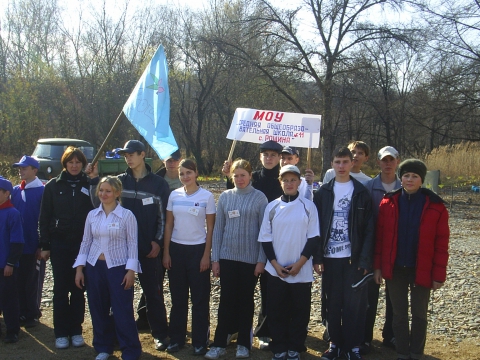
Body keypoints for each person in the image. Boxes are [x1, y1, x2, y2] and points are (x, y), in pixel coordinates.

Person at [88, 140, 170, 351]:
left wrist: (158, 242)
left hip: (148, 251)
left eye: (132, 154)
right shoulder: (119, 182)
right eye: (125, 155)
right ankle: (117, 335)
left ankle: (160, 334)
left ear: (143, 154)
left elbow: (163, 217)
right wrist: (93, 181)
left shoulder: (158, 183)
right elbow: (100, 205)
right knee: (120, 296)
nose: (128, 157)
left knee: (154, 294)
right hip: (121, 253)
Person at [374, 159, 449, 360]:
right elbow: (380, 239)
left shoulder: (436, 206)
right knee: (398, 315)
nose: (409, 179)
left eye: (414, 176)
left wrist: (438, 275)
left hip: (421, 268)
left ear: (421, 180)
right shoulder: (388, 202)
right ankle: (402, 352)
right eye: (406, 175)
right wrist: (378, 267)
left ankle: (416, 352)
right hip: (395, 268)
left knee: (419, 314)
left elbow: (442, 244)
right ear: (400, 178)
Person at [221, 140, 283, 350]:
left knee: (268, 288)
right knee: (238, 292)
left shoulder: (284, 177)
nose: (269, 158)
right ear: (260, 157)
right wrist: (228, 176)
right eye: (265, 154)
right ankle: (233, 328)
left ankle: (264, 331)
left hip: (277, 239)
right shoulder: (252, 176)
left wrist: (308, 183)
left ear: (279, 157)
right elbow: (237, 196)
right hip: (250, 242)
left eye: (273, 155)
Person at [313, 146, 374, 360]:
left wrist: (365, 259)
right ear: (332, 164)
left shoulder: (361, 192)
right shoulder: (323, 193)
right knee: (332, 303)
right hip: (330, 259)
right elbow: (316, 228)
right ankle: (335, 343)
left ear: (352, 164)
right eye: (337, 162)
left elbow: (369, 229)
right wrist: (317, 258)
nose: (341, 166)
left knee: (354, 306)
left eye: (345, 162)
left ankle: (352, 346)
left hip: (353, 260)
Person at [205, 159, 268, 360]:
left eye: (243, 175)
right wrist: (215, 259)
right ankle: (219, 343)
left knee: (245, 301)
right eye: (236, 175)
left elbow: (264, 233)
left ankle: (243, 344)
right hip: (227, 257)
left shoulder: (260, 198)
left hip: (250, 260)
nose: (239, 179)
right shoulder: (224, 197)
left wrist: (261, 260)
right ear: (230, 176)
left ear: (250, 175)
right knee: (226, 301)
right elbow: (217, 230)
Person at [74, 176, 142, 360]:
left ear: (117, 193)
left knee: (122, 310)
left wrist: (130, 271)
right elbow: (86, 241)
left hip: (118, 268)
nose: (104, 194)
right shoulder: (92, 215)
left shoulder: (127, 215)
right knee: (98, 307)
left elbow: (133, 244)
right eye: (101, 190)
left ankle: (130, 349)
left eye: (108, 191)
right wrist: (80, 268)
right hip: (94, 267)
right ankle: (103, 347)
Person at [258, 165, 320, 360]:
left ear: (299, 183)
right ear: (280, 182)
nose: (289, 183)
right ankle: (279, 346)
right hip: (276, 270)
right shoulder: (272, 206)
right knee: (276, 310)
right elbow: (265, 239)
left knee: (300, 312)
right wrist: (275, 265)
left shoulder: (308, 206)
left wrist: (300, 264)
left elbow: (313, 238)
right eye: (285, 180)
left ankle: (295, 346)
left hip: (301, 271)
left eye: (293, 180)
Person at [39, 146, 93, 349]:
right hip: (59, 244)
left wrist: (94, 180)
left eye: (78, 162)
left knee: (78, 289)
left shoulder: (88, 184)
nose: (74, 165)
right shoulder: (53, 186)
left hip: (82, 245)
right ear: (65, 163)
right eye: (71, 162)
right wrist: (44, 244)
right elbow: (43, 218)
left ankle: (76, 330)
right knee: (60, 289)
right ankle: (61, 332)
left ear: (83, 164)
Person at [162, 159, 215, 355]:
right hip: (176, 250)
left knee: (200, 299)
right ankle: (177, 338)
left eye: (189, 173)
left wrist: (206, 255)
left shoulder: (207, 197)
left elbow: (210, 229)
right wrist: (166, 252)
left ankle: (200, 341)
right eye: (182, 173)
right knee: (178, 298)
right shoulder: (174, 195)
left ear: (196, 173)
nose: (185, 176)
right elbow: (168, 225)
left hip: (198, 251)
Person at [361, 146, 401, 354]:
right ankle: (365, 337)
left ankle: (391, 335)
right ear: (378, 162)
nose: (387, 163)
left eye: (391, 160)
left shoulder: (406, 186)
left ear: (397, 161)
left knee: (395, 296)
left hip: (397, 249)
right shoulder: (369, 187)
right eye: (384, 160)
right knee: (369, 296)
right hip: (372, 248)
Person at [10, 156, 44, 328]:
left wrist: (42, 244)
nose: (21, 171)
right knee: (18, 279)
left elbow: (45, 220)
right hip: (18, 245)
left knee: (32, 280)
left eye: (24, 168)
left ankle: (32, 312)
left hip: (33, 245)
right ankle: (22, 311)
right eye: (20, 168)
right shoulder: (16, 190)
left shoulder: (42, 191)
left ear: (34, 170)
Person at [0, 176, 24, 344]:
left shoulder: (12, 213)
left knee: (9, 299)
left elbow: (17, 242)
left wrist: (10, 263)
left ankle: (12, 330)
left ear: (7, 193)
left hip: (6, 265)